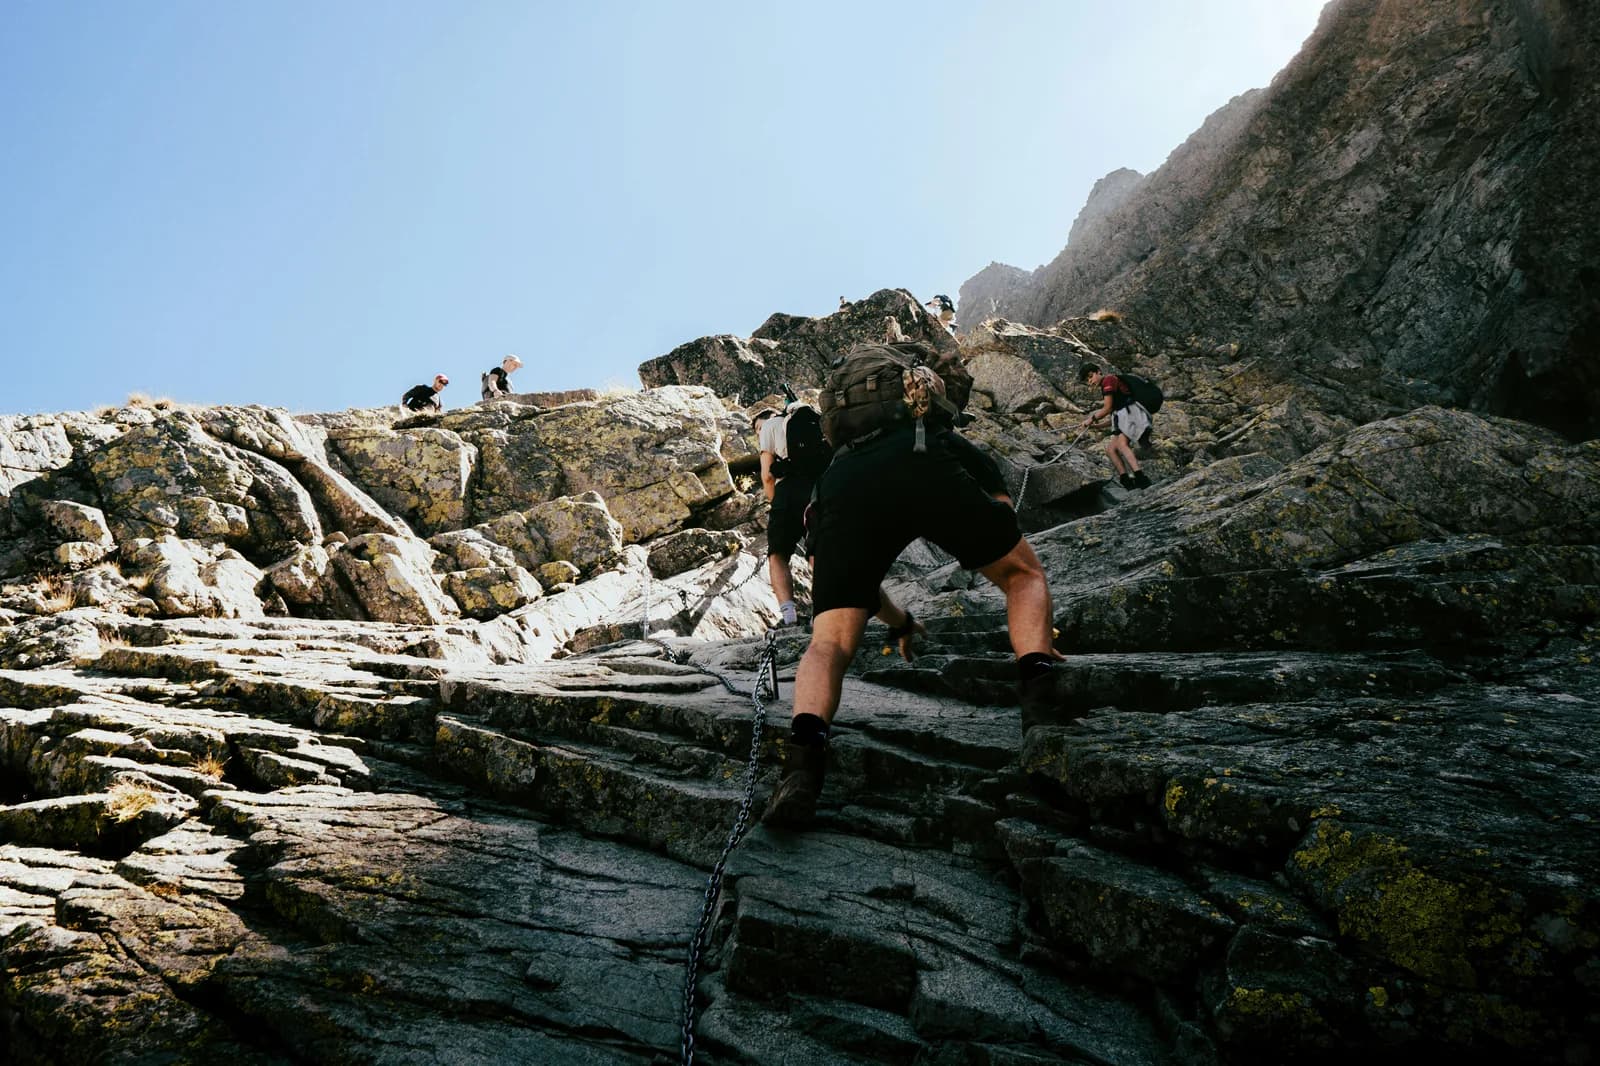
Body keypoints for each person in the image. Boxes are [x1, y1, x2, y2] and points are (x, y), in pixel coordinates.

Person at [762, 342, 1059, 829]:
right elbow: (1001, 507)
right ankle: (1042, 699)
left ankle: (802, 767)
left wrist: (899, 623)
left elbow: (858, 588)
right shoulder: (937, 433)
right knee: (1023, 577)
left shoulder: (829, 477)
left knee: (829, 643)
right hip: (923, 460)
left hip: (845, 487)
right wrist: (1035, 628)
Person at [757, 397, 830, 627]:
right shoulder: (815, 422)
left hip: (787, 491)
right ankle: (824, 610)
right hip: (820, 488)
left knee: (778, 555)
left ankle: (789, 616)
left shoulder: (770, 426)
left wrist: (775, 501)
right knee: (818, 551)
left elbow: (767, 475)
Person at [1078, 364, 1151, 490]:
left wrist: (1091, 419)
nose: (1090, 381)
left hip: (1132, 414)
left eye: (1091, 376)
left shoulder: (1108, 380)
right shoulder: (1107, 387)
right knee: (1111, 449)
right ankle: (1126, 480)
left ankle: (1141, 478)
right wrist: (1095, 426)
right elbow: (1113, 417)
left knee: (1122, 444)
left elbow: (1107, 408)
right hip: (1126, 416)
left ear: (1099, 372)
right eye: (1087, 380)